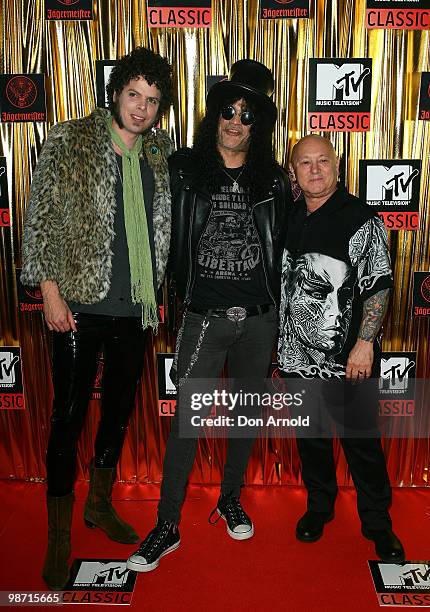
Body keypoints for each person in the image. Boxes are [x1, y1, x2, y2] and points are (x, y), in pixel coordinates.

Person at [127, 59, 291, 573]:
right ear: (213, 114)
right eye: (228, 109)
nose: (236, 121)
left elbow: (293, 244)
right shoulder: (183, 170)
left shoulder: (275, 180)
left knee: (243, 417)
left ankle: (230, 498)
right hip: (203, 317)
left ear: (259, 123)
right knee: (188, 425)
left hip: (260, 319)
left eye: (248, 113)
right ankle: (167, 524)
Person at [20, 47, 174, 590]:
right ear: (114, 94)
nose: (141, 107)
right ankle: (59, 534)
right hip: (78, 306)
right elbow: (40, 218)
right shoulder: (68, 140)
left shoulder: (157, 156)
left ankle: (100, 505)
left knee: (117, 412)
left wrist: (154, 293)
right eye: (133, 94)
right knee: (67, 418)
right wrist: (51, 292)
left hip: (134, 309)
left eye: (152, 100)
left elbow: (160, 233)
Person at [278, 134, 405, 562]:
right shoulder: (289, 217)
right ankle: (319, 508)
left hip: (349, 359)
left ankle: (378, 524)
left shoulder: (358, 218)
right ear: (293, 173)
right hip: (298, 359)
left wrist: (365, 344)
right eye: (305, 163)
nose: (315, 169)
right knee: (311, 439)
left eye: (322, 161)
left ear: (337, 166)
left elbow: (378, 285)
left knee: (361, 445)